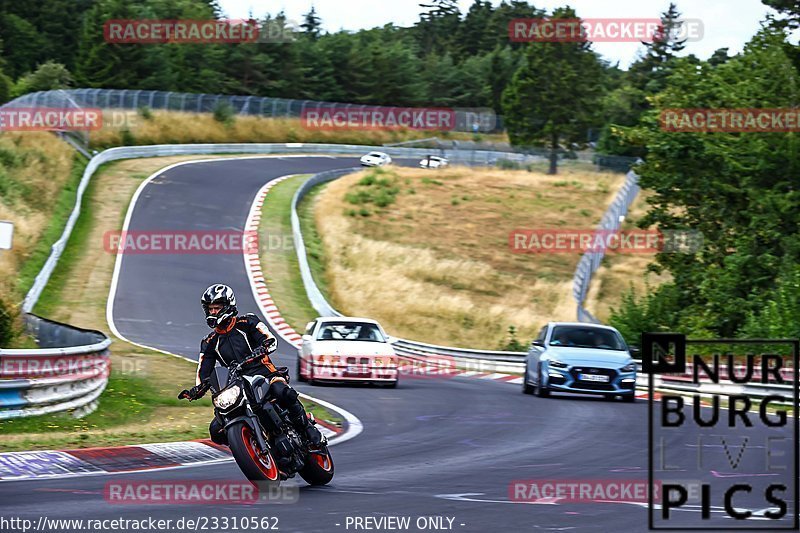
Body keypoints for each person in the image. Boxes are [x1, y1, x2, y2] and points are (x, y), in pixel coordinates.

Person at [179, 284, 322, 447]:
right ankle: (250, 445)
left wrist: (261, 348)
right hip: (235, 384)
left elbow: (270, 340)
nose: (213, 312)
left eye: (217, 308)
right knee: (216, 431)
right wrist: (197, 389)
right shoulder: (209, 342)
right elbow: (204, 371)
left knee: (283, 393)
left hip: (265, 374)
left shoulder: (247, 322)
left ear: (228, 306)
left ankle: (308, 430)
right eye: (210, 309)